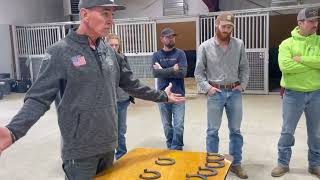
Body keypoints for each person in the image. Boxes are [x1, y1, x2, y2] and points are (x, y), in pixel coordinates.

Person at [0, 0, 185, 180]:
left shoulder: (110, 52)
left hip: (108, 146)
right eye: (105, 13)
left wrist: (162, 96)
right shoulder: (59, 52)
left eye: (112, 14)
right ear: (84, 14)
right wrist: (13, 131)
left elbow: (132, 85)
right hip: (80, 152)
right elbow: (38, 99)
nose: (111, 19)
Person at [194, 12, 249, 179]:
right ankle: (212, 163)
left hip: (234, 92)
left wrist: (242, 85)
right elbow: (199, 72)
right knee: (212, 130)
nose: (227, 29)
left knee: (236, 130)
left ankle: (236, 164)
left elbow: (244, 68)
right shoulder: (205, 47)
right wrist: (207, 88)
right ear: (217, 26)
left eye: (230, 27)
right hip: (215, 93)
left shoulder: (239, 44)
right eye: (224, 26)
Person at [271, 7, 320, 178]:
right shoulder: (287, 44)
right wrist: (313, 64)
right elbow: (286, 67)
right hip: (293, 94)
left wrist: (301, 59)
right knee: (287, 131)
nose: (316, 24)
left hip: (316, 93)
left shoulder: (319, 41)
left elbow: (295, 65)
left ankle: (315, 165)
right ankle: (283, 164)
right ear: (300, 23)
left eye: (317, 21)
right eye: (311, 21)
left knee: (316, 132)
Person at [152, 27, 188, 150]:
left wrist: (162, 70)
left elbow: (183, 73)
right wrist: (173, 69)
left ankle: (176, 148)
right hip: (162, 95)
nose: (171, 38)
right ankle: (170, 145)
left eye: (172, 36)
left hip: (178, 94)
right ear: (162, 39)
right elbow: (155, 74)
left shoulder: (180, 54)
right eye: (168, 37)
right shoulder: (156, 55)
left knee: (178, 125)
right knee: (167, 125)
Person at [106, 33, 134, 160]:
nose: (114, 47)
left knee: (121, 130)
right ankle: (107, 158)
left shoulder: (123, 57)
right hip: (107, 101)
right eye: (111, 45)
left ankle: (121, 155)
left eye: (116, 45)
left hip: (122, 99)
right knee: (109, 131)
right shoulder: (101, 59)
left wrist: (131, 94)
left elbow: (129, 77)